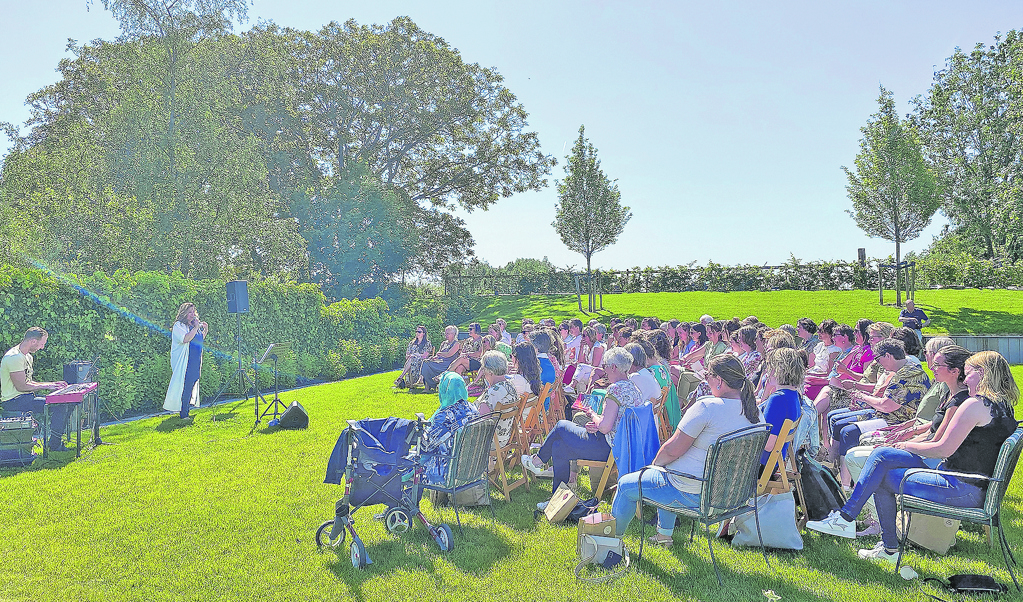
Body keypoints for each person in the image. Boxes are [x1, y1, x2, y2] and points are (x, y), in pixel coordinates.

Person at [807, 350, 1018, 563]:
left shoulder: (975, 404)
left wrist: (905, 444)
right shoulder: (1002, 406)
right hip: (972, 485)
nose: (965, 374)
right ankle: (853, 522)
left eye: (969, 371)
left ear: (982, 374)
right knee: (882, 456)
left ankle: (876, 540)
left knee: (881, 475)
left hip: (962, 488)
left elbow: (943, 449)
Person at [610, 354, 761, 545]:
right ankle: (663, 536)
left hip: (692, 493)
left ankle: (611, 542)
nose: (705, 378)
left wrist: (653, 467)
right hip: (733, 496)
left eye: (707, 375)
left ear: (719, 381)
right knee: (668, 470)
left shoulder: (707, 407)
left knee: (626, 484)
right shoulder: (755, 412)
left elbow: (672, 450)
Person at [522, 347, 645, 491]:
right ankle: (557, 498)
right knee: (559, 447)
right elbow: (614, 421)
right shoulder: (634, 388)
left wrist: (592, 414)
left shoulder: (615, 389)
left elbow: (605, 428)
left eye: (605, 366)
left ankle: (538, 461)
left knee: (561, 425)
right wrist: (598, 422)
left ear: (614, 367)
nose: (604, 371)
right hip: (625, 446)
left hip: (610, 449)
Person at [826, 338, 929, 484]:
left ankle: (846, 485)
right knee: (839, 425)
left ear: (888, 355)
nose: (878, 363)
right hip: (887, 416)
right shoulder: (903, 370)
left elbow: (887, 405)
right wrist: (864, 398)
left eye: (879, 359)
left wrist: (862, 397)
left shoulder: (907, 375)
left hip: (896, 421)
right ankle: (835, 471)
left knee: (847, 432)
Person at [0, 327, 71, 451]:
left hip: (24, 398)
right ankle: (55, 445)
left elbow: (28, 382)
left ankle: (55, 442)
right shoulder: (14, 357)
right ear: (33, 341)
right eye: (42, 344)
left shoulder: (27, 356)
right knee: (61, 406)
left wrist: (52, 384)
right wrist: (47, 386)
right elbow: (21, 386)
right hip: (13, 401)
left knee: (66, 404)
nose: (42, 347)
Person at [164, 302, 208, 420]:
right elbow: (186, 339)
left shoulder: (194, 326)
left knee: (193, 383)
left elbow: (198, 339)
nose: (192, 314)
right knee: (186, 386)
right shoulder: (179, 326)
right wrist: (195, 327)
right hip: (186, 362)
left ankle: (187, 408)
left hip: (195, 361)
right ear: (184, 313)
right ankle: (184, 414)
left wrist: (204, 330)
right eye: (189, 312)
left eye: (193, 311)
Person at [476, 351, 520, 447]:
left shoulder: (492, 393)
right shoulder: (510, 386)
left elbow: (480, 423)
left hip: (490, 442)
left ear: (490, 372)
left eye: (484, 370)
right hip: (504, 438)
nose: (483, 373)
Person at [421, 326, 462, 393]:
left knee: (427, 364)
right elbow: (438, 355)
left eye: (448, 333)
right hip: (439, 362)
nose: (446, 335)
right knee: (426, 362)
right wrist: (434, 357)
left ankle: (431, 385)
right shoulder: (444, 343)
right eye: (445, 333)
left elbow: (449, 354)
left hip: (448, 364)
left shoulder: (456, 344)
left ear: (454, 334)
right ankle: (428, 386)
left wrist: (440, 353)